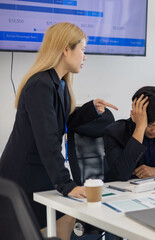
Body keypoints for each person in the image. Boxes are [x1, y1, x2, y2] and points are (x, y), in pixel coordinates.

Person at [0, 22, 117, 239]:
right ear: (66, 49)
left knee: (68, 217)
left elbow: (60, 123)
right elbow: (48, 139)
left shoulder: (58, 84)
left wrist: (91, 109)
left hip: (39, 176)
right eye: (82, 49)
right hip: (23, 180)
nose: (85, 56)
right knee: (60, 218)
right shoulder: (40, 85)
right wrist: (67, 184)